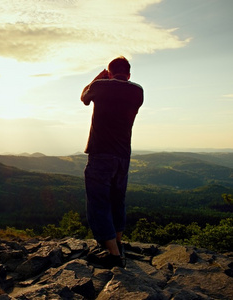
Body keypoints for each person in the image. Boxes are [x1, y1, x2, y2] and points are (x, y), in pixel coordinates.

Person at [80, 56, 143, 268]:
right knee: (118, 200)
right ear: (129, 74)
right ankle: (118, 242)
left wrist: (98, 78)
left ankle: (114, 255)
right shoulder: (138, 91)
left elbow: (84, 98)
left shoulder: (100, 85)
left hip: (101, 153)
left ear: (109, 72)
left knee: (98, 202)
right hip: (123, 155)